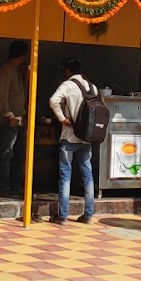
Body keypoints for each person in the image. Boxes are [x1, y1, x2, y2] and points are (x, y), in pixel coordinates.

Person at [48, 57, 97, 224]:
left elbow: (53, 101)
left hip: (69, 136)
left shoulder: (67, 85)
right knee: (87, 175)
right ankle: (88, 215)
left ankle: (62, 215)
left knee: (65, 176)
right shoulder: (92, 87)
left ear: (68, 71)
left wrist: (62, 118)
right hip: (86, 138)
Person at [0, 40, 30, 193]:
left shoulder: (16, 72)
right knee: (7, 153)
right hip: (8, 121)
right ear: (22, 55)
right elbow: (1, 96)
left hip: (19, 118)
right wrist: (9, 115)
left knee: (19, 154)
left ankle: (16, 185)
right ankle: (4, 186)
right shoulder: (5, 72)